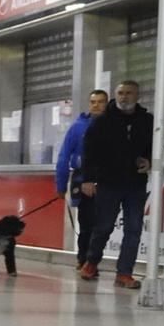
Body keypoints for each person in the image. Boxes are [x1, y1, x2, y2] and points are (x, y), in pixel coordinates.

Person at [79, 79, 154, 289]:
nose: (124, 97)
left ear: (137, 96)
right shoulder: (102, 121)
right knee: (103, 227)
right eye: (120, 93)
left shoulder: (147, 120)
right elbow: (89, 151)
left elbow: (154, 147)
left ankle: (124, 273)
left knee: (134, 229)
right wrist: (86, 179)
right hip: (108, 182)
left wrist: (148, 160)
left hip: (136, 184)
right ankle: (92, 262)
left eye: (129, 93)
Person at [56, 90, 108, 276]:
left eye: (101, 102)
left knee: (102, 225)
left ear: (107, 103)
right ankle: (83, 259)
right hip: (82, 178)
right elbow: (64, 156)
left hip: (107, 181)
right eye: (93, 101)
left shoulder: (113, 125)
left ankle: (93, 260)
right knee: (86, 224)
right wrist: (61, 184)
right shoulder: (77, 127)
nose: (96, 105)